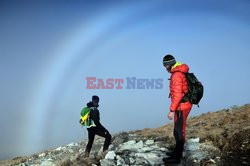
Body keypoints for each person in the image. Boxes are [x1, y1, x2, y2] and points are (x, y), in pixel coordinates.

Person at [162, 55, 193, 164]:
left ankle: (177, 158)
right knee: (178, 131)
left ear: (170, 64)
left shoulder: (176, 75)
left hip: (182, 106)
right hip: (184, 105)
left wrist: (171, 110)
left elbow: (177, 95)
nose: (165, 68)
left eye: (165, 65)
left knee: (179, 132)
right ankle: (176, 152)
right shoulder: (180, 72)